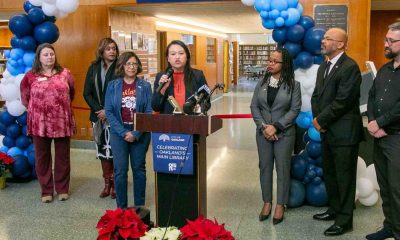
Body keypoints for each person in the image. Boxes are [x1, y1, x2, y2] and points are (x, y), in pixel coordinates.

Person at [311, 28, 364, 236]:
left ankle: (345, 220)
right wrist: (318, 121)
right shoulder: (323, 66)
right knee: (331, 175)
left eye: (328, 38)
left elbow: (343, 101)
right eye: (324, 38)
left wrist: (321, 120)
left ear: (341, 44)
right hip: (327, 130)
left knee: (345, 178)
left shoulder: (350, 67)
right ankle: (334, 210)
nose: (323, 41)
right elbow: (316, 96)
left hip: (344, 134)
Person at [250, 48, 301, 225]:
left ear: (284, 64)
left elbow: (294, 110)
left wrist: (276, 127)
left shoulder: (294, 85)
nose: (270, 64)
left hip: (284, 134)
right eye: (269, 60)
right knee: (264, 167)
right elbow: (254, 106)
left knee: (282, 168)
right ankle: (267, 202)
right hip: (263, 133)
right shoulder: (262, 82)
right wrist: (264, 126)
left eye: (274, 61)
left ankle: (280, 204)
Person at [20, 43, 75, 203]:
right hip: (40, 123)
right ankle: (46, 191)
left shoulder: (65, 73)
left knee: (63, 158)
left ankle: (62, 189)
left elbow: (71, 93)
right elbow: (25, 98)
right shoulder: (30, 76)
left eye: (51, 54)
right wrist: (40, 108)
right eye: (45, 54)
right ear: (39, 57)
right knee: (42, 157)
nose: (49, 57)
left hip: (61, 121)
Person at [104, 51, 152, 209]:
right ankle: (121, 207)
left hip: (140, 132)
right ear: (122, 66)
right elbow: (109, 111)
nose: (131, 67)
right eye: (128, 64)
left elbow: (149, 112)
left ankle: (139, 204)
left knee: (139, 169)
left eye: (134, 63)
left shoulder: (145, 86)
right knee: (120, 171)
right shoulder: (113, 85)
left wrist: (136, 133)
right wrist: (124, 132)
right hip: (119, 133)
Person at [366, 22, 400, 240]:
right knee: (385, 187)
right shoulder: (385, 69)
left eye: (391, 41)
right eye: (385, 39)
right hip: (380, 137)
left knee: (398, 190)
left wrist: (381, 123)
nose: (385, 44)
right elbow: (371, 96)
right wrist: (372, 121)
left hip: (397, 138)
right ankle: (390, 226)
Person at [83, 38, 119, 199]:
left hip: (115, 117)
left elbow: (121, 93)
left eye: (114, 48)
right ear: (102, 51)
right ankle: (107, 184)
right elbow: (87, 93)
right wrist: (99, 110)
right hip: (98, 117)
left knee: (116, 151)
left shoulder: (120, 68)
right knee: (103, 150)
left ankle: (117, 184)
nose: (112, 51)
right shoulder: (93, 67)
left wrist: (108, 111)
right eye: (108, 49)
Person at [152, 40, 209, 114]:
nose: (177, 57)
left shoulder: (198, 75)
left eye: (181, 53)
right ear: (168, 58)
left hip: (193, 122)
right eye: (173, 54)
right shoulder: (161, 77)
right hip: (169, 122)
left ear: (187, 57)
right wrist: (162, 90)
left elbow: (207, 101)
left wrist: (200, 107)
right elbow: (155, 107)